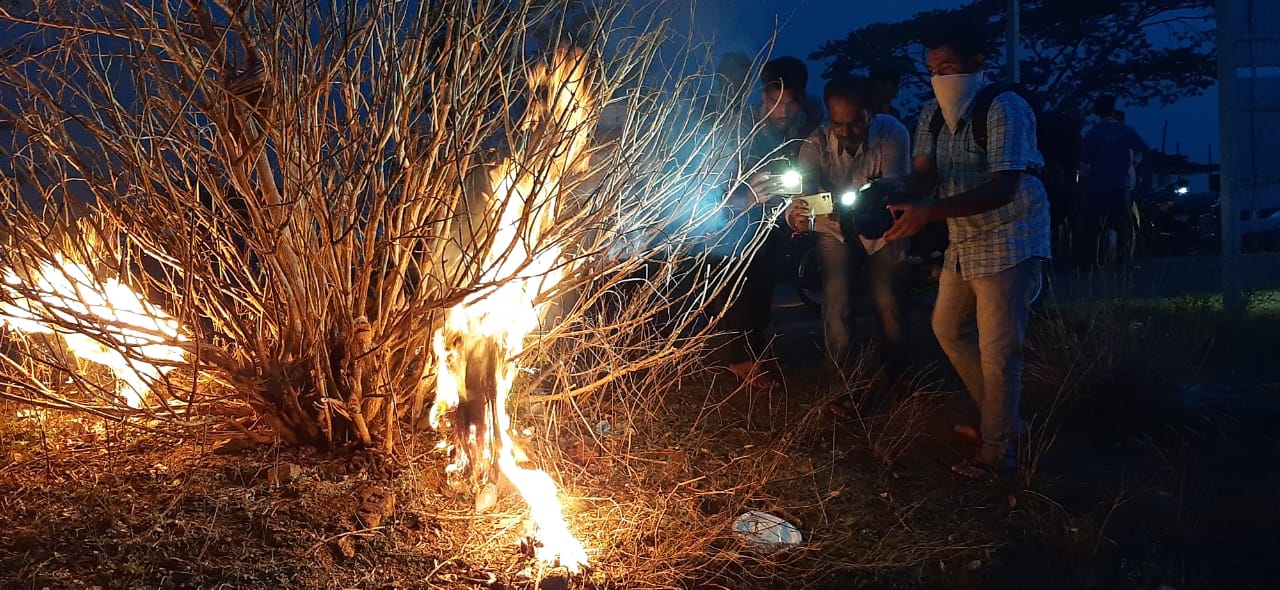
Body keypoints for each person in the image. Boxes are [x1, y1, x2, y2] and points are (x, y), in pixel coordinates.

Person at [878, 24, 1051, 480]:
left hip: (1011, 234)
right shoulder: (932, 114)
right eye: (932, 70)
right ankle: (1005, 423)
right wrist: (887, 190)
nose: (939, 77)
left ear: (976, 64)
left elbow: (1004, 187)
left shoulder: (1004, 108)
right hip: (965, 238)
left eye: (948, 67)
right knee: (948, 329)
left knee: (998, 349)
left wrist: (928, 212)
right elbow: (921, 177)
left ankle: (998, 453)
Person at [783, 76, 911, 373]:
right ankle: (841, 380)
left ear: (872, 111)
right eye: (837, 123)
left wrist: (875, 196)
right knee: (837, 301)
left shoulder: (893, 133)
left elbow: (899, 185)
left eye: (855, 122)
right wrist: (801, 214)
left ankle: (898, 374)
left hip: (881, 229)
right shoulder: (815, 144)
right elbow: (803, 193)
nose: (845, 132)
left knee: (888, 300)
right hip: (834, 230)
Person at [718, 56, 823, 387]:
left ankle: (754, 352)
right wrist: (747, 197)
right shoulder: (742, 126)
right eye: (774, 101)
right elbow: (720, 186)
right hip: (743, 217)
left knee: (766, 285)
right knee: (744, 285)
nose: (783, 111)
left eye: (791, 103)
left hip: (785, 213)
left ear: (802, 98)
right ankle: (740, 358)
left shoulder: (812, 118)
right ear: (763, 95)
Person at [1078, 95, 1148, 267]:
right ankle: (1125, 260)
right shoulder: (1125, 130)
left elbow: (1085, 164)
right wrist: (1133, 163)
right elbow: (1141, 148)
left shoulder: (1093, 134)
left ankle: (1097, 261)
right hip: (1120, 185)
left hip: (1097, 187)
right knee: (1123, 224)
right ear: (1113, 110)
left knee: (1097, 226)